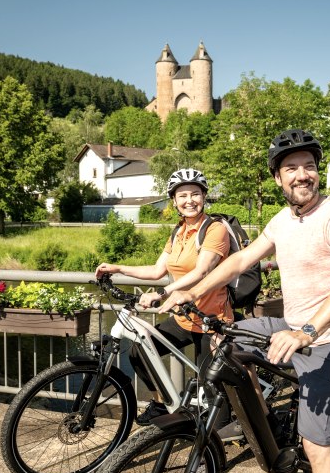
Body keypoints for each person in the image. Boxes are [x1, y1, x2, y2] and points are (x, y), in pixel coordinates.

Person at [159, 129, 330, 473]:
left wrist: (307, 333)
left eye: (309, 166)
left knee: (317, 449)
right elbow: (240, 261)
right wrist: (191, 292)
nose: (303, 174)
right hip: (292, 324)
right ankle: (266, 422)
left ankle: (311, 441)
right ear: (277, 177)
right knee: (226, 339)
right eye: (291, 168)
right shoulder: (282, 220)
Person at [95, 168, 233, 425]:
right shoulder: (178, 232)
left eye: (195, 194)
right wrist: (117, 267)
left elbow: (202, 270)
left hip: (211, 320)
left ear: (204, 197)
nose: (189, 200)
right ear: (174, 201)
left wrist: (162, 293)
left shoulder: (215, 229)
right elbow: (158, 270)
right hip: (183, 318)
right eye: (183, 195)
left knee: (212, 388)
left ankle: (218, 443)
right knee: (140, 352)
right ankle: (161, 403)